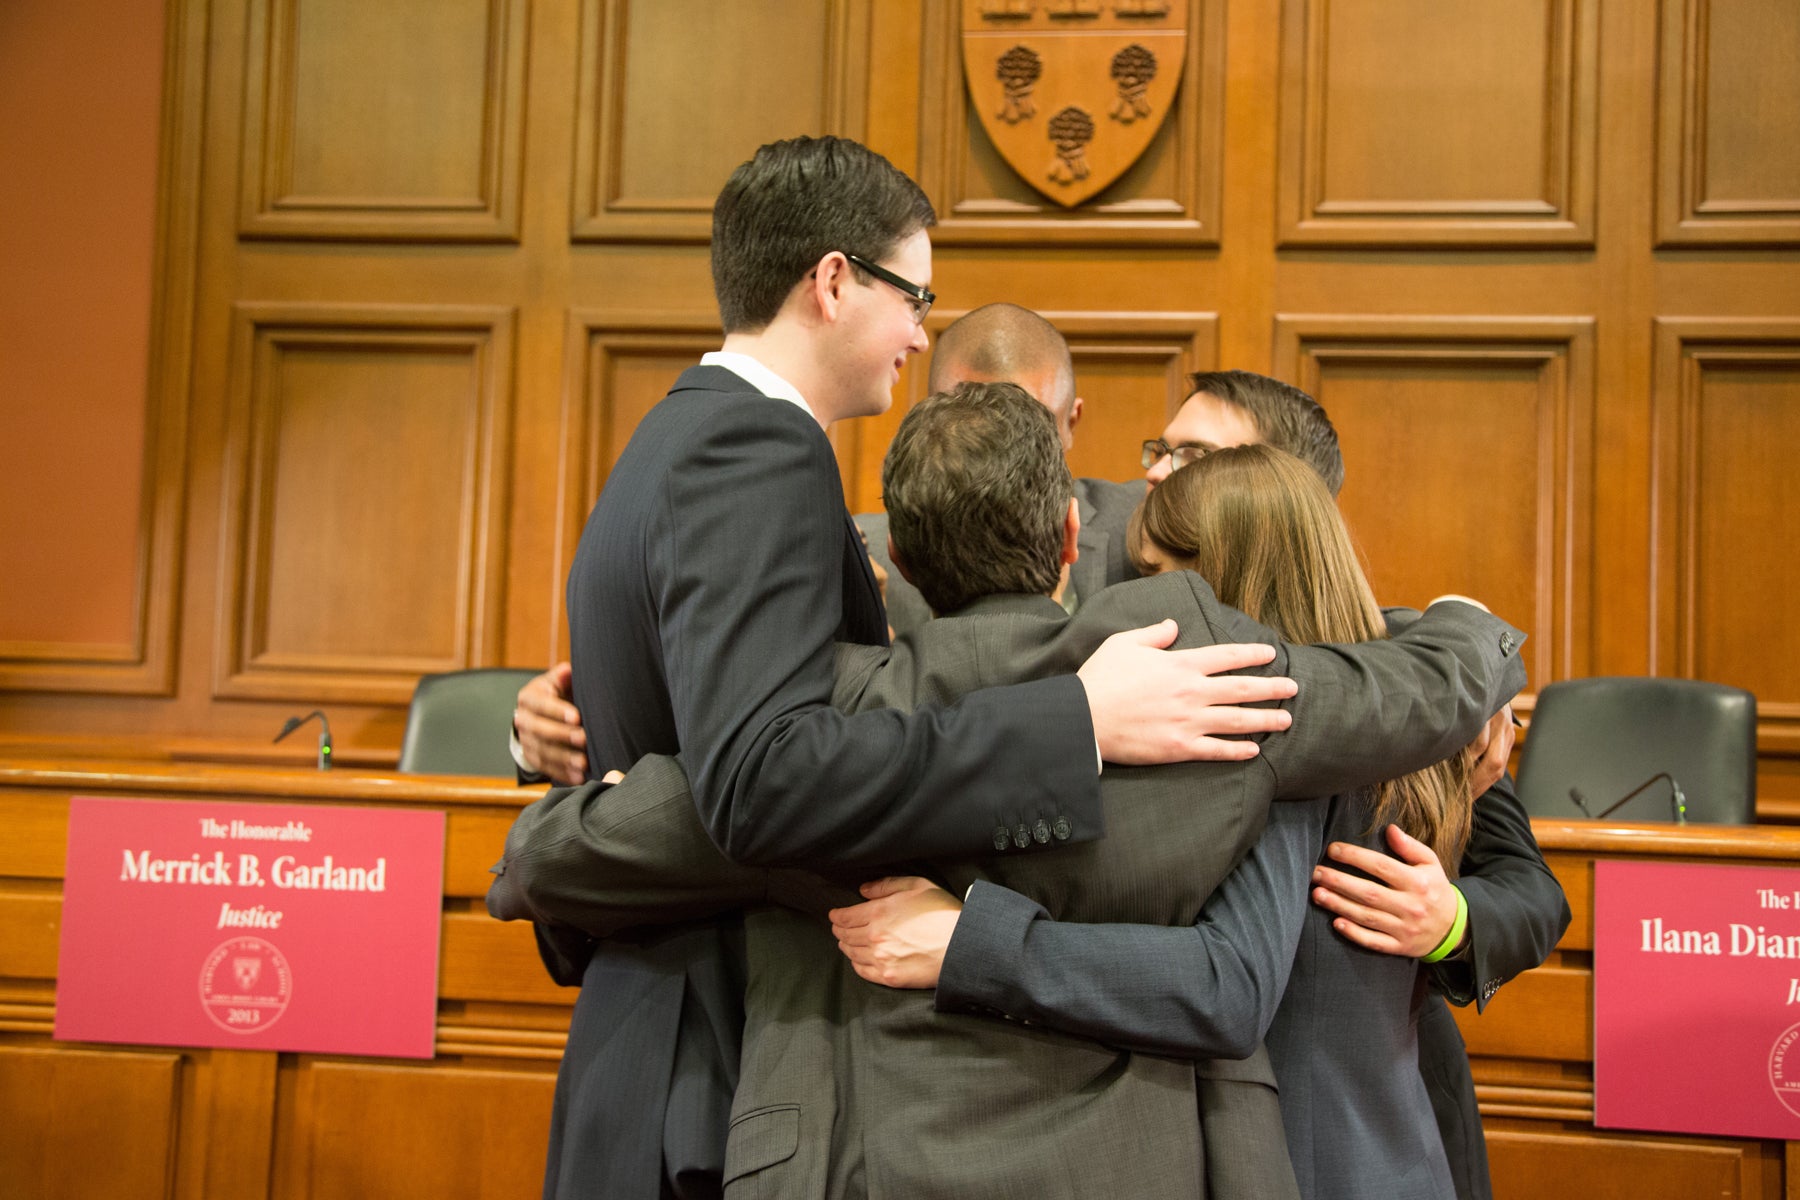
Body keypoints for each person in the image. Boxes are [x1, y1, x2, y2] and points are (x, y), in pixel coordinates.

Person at [491, 382, 1528, 1198]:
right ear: (1077, 542)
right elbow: (1414, 688)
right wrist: (1473, 625)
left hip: (876, 1156)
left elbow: (566, 856)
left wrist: (566, 805)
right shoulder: (1221, 689)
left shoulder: (823, 718)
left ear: (895, 558)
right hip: (1136, 1164)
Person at [541, 136, 1299, 1200]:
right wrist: (1077, 721)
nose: (920, 330)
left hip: (677, 1035)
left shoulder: (682, 435)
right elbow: (763, 779)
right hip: (697, 1060)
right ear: (835, 281)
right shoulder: (754, 449)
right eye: (916, 294)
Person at [829, 442, 1498, 1199]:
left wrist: (968, 940)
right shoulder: (1397, 717)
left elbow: (1227, 986)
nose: (1126, 603)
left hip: (1316, 1168)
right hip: (1393, 1154)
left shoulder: (1263, 741)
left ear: (1225, 580)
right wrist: (1467, 619)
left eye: (1153, 578)